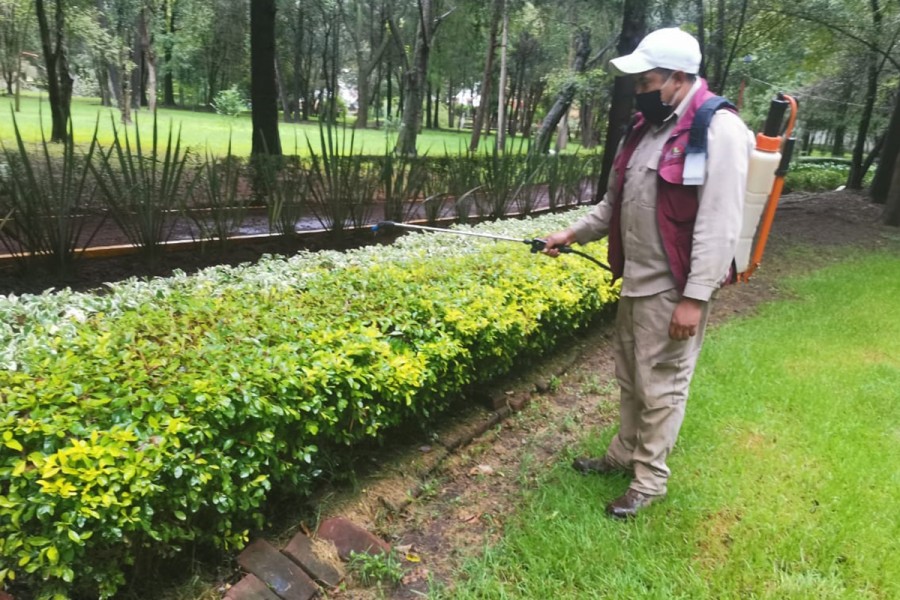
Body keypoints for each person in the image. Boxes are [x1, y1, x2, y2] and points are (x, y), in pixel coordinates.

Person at [542, 27, 753, 519]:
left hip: (673, 286)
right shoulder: (644, 130)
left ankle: (649, 480)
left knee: (662, 383)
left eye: (647, 82)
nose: (639, 93)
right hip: (636, 280)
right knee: (631, 376)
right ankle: (623, 453)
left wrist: (695, 297)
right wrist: (570, 235)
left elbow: (720, 220)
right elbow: (614, 205)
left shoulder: (716, 130)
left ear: (680, 78)